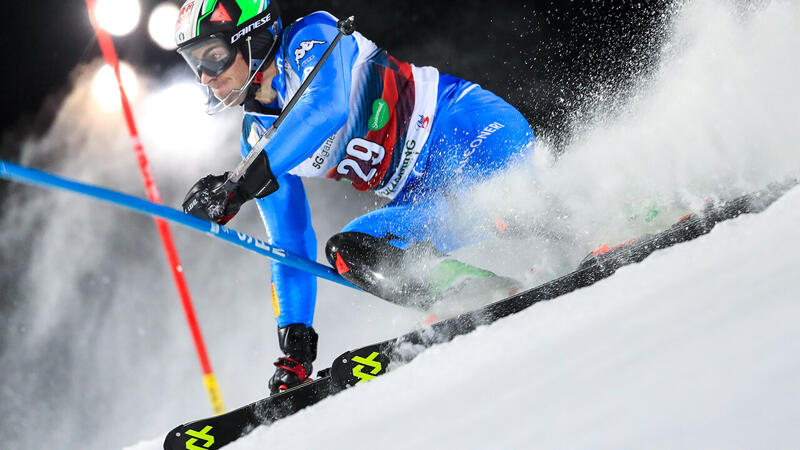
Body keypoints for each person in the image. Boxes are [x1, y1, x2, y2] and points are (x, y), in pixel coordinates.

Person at [174, 0, 535, 394]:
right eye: (197, 64)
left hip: (471, 132)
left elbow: (323, 109)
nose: (206, 78)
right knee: (350, 252)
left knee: (504, 201)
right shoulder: (255, 139)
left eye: (214, 56)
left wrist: (239, 186)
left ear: (253, 39)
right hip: (428, 202)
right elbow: (289, 242)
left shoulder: (311, 38)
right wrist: (295, 346)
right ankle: (474, 290)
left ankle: (589, 211)